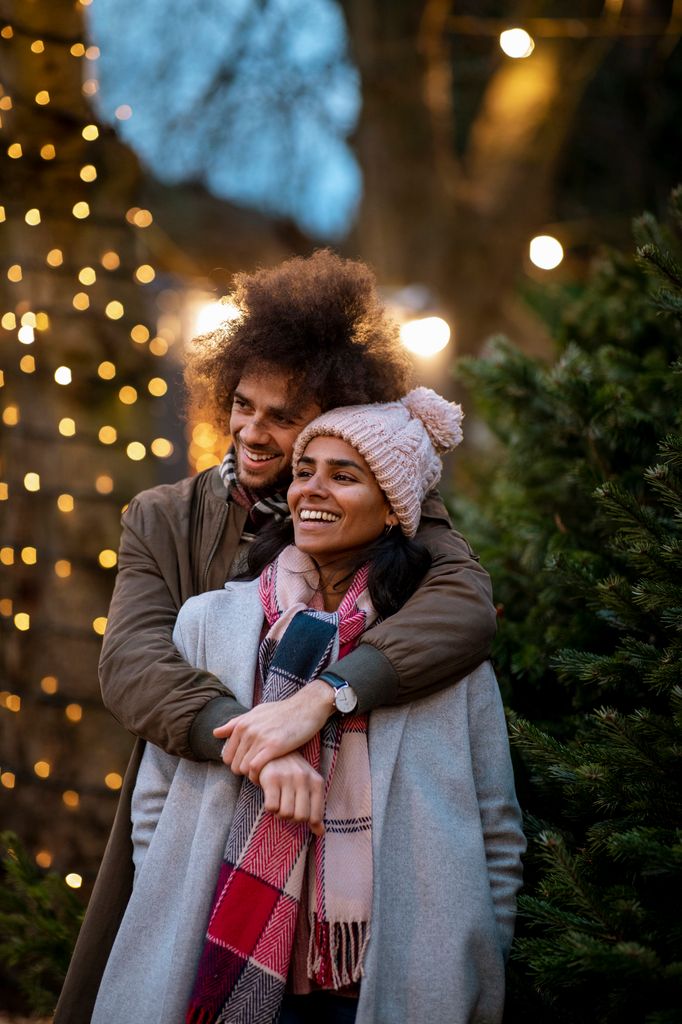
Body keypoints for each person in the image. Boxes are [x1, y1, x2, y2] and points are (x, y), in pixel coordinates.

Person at [54, 251, 498, 1023]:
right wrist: (263, 742)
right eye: (243, 405)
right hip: (206, 815)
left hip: (355, 888)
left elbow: (464, 610)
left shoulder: (402, 517)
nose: (253, 433)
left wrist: (322, 697)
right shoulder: (163, 515)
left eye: (283, 417)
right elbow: (132, 666)